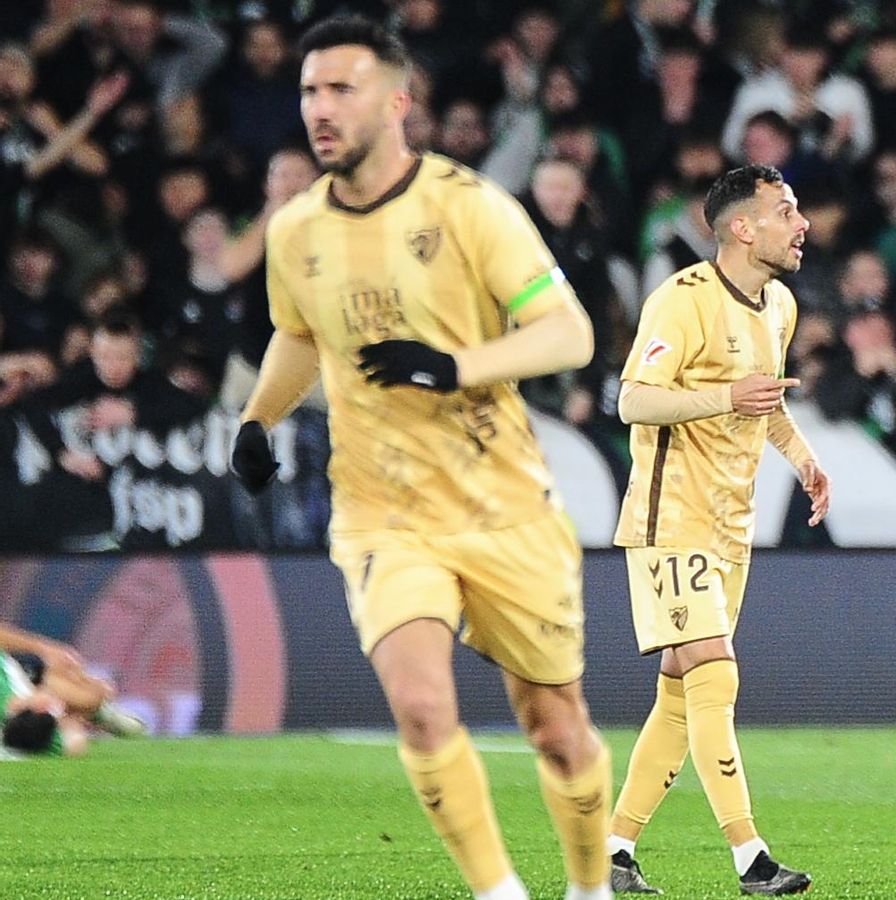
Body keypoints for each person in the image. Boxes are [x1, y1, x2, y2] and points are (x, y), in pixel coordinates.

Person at [227, 17, 611, 900]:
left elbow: (570, 333)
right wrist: (258, 419)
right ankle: (497, 892)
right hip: (381, 511)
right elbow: (296, 334)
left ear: (397, 101)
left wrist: (455, 367)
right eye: (309, 91)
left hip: (502, 503)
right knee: (423, 705)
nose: (319, 110)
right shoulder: (295, 232)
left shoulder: (468, 207)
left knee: (556, 729)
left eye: (341, 90)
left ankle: (589, 888)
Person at [605, 165, 829, 896]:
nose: (803, 225)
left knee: (679, 691)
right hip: (672, 517)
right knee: (715, 670)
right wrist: (721, 395)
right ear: (743, 227)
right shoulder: (682, 301)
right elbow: (633, 400)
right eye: (786, 211)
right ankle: (750, 856)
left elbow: (763, 402)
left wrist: (803, 459)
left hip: (733, 525)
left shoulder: (780, 307)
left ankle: (612, 852)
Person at [0, 621, 146, 756]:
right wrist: (70, 719)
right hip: (29, 694)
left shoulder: (10, 688)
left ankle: (99, 711)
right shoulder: (22, 733)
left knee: (84, 693)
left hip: (21, 669)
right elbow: (74, 743)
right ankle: (99, 712)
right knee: (90, 696)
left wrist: (43, 649)